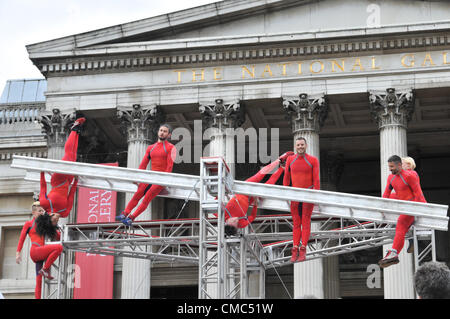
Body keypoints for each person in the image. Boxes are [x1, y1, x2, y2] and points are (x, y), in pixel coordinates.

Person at [117, 124, 176, 226]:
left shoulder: (171, 147)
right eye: (161, 130)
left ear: (169, 135)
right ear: (158, 132)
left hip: (160, 179)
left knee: (147, 198)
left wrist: (165, 180)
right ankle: (125, 213)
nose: (162, 132)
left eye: (165, 131)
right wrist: (138, 178)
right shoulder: (150, 148)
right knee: (138, 193)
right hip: (150, 177)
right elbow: (143, 164)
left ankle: (131, 217)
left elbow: (169, 166)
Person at [223, 152, 293, 236]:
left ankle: (278, 160)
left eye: (233, 221)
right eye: (236, 223)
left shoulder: (223, 215)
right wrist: (255, 205)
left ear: (226, 222)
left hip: (244, 190)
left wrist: (222, 194)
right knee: (267, 186)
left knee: (260, 175)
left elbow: (215, 201)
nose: (236, 220)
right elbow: (252, 217)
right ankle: (282, 168)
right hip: (250, 199)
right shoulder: (241, 224)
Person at [378, 155, 426, 268]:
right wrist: (381, 207)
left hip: (411, 204)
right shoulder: (391, 178)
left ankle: (394, 252)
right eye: (389, 166)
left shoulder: (411, 175)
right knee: (388, 199)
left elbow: (418, 194)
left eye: (392, 166)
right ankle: (408, 240)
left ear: (400, 165)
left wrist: (424, 209)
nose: (390, 169)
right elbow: (386, 194)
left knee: (401, 223)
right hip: (401, 201)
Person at [39, 117, 85, 218]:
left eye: (54, 221)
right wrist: (75, 182)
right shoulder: (64, 213)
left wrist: (42, 172)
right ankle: (76, 132)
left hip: (58, 180)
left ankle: (74, 128)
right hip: (68, 182)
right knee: (73, 156)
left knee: (68, 156)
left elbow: (43, 187)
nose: (57, 220)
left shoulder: (45, 205)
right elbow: (71, 196)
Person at [283, 137, 320, 263]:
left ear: (306, 146)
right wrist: (285, 192)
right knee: (296, 223)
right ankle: (295, 248)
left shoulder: (313, 160)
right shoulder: (290, 160)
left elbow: (316, 179)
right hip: (294, 194)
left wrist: (316, 194)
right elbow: (286, 178)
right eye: (298, 145)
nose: (300, 147)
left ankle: (303, 248)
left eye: (302, 145)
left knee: (306, 220)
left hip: (308, 194)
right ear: (295, 146)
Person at [16, 203, 63, 299]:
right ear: (33, 212)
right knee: (58, 248)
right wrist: (18, 253)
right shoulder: (29, 224)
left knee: (39, 281)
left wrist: (53, 223)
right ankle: (45, 269)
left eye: (43, 211)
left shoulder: (45, 224)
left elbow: (58, 236)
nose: (42, 213)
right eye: (40, 211)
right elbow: (22, 238)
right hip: (35, 251)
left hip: (41, 253)